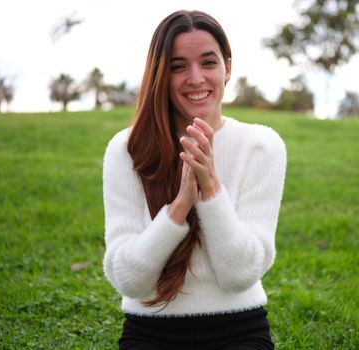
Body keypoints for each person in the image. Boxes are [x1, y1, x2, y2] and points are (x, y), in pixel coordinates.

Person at [102, 10, 286, 350]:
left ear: (227, 68)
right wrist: (179, 208)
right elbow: (130, 281)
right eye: (178, 66)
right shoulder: (127, 150)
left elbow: (241, 275)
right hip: (150, 329)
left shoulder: (262, 146)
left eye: (209, 62)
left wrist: (211, 191)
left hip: (239, 327)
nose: (196, 78)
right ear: (160, 74)